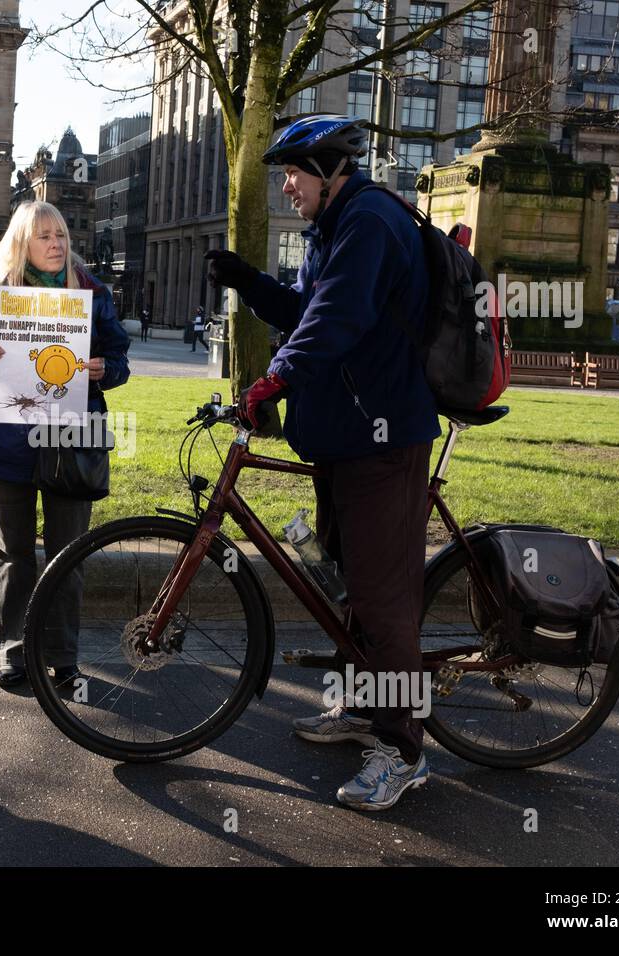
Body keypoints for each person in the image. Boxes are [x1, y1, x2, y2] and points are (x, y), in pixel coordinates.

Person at [205, 114, 438, 811]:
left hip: (384, 441)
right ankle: (362, 710)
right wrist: (249, 280)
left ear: (331, 170)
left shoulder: (369, 222)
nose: (286, 186)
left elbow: (335, 322)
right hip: (345, 439)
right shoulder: (334, 229)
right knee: (349, 590)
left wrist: (271, 380)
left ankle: (403, 751)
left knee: (383, 600)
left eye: (294, 174)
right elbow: (309, 310)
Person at [0, 200, 130, 690]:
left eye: (62, 236)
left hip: (72, 438)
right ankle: (15, 652)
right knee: (14, 554)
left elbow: (119, 362)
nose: (56, 245)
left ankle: (63, 657)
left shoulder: (92, 294)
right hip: (10, 439)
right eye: (44, 236)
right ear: (22, 242)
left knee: (67, 555)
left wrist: (102, 370)